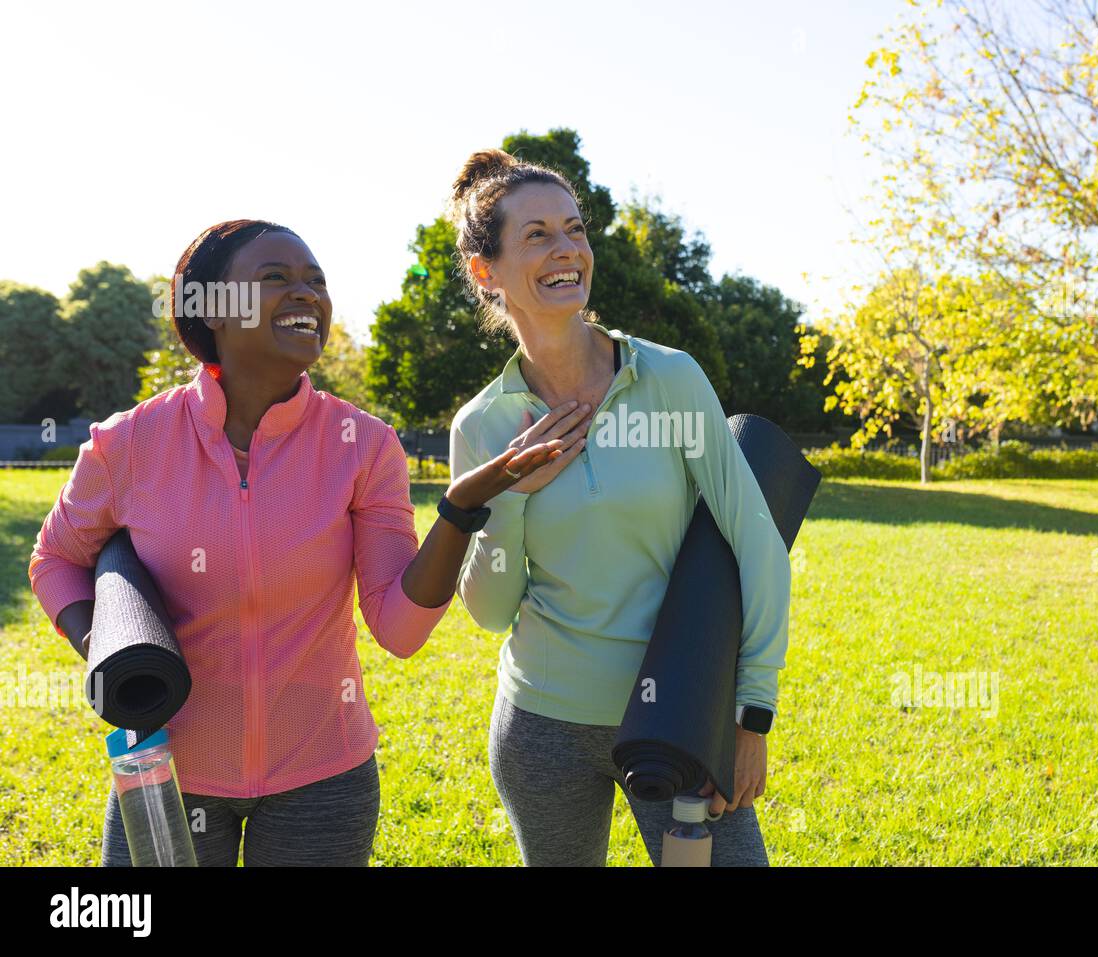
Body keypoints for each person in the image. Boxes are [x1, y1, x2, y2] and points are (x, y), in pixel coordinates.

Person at [27, 218, 580, 866]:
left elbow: (399, 629)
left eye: (316, 282)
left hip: (323, 780)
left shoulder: (363, 444)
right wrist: (109, 647)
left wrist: (459, 510)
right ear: (210, 308)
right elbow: (56, 558)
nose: (307, 295)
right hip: (161, 769)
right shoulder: (129, 442)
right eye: (275, 279)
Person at [447, 150, 792, 866]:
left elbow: (755, 538)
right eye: (536, 234)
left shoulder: (669, 379)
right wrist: (510, 493)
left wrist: (750, 711)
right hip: (541, 725)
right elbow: (488, 609)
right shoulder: (481, 424)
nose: (567, 248)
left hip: (681, 710)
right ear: (488, 272)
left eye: (574, 229)